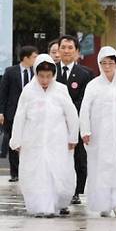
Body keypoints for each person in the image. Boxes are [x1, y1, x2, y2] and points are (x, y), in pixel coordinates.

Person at [9, 54, 78, 217]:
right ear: (36, 74)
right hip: (33, 141)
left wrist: (73, 137)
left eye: (48, 76)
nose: (45, 80)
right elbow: (20, 117)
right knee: (36, 174)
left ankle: (55, 204)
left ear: (53, 75)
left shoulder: (61, 90)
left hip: (58, 141)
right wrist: (16, 140)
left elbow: (72, 115)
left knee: (57, 173)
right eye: (41, 76)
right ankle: (41, 206)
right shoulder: (28, 91)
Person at [79, 47, 116, 217]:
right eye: (103, 63)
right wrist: (85, 130)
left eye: (110, 63)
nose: (107, 66)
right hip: (99, 136)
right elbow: (85, 109)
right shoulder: (93, 85)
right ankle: (104, 204)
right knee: (101, 169)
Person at [56, 34, 94, 205]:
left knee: (78, 158)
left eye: (70, 48)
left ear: (77, 52)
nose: (66, 51)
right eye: (63, 47)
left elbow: (85, 100)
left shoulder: (86, 73)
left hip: (76, 123)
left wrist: (69, 114)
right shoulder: (50, 70)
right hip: (54, 124)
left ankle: (76, 191)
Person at [0, 45, 38, 182]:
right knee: (14, 142)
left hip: (32, 113)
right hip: (12, 113)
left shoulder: (36, 73)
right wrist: (1, 112)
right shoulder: (10, 72)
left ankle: (28, 171)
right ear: (26, 57)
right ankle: (14, 173)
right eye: (34, 56)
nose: (36, 59)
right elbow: (3, 93)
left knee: (30, 141)